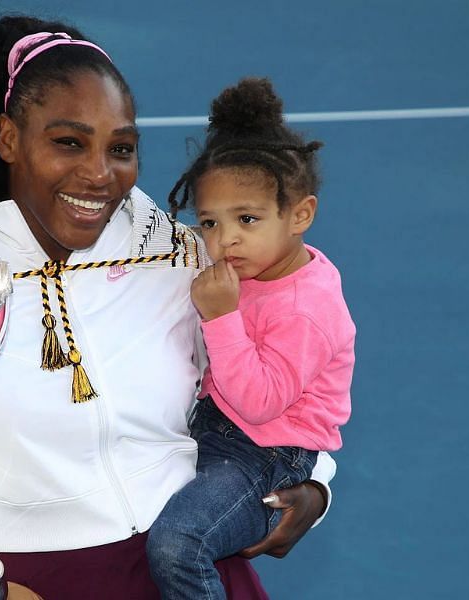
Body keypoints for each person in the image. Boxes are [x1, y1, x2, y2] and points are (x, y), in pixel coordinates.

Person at [0, 17, 338, 600]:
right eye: (68, 142)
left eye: (120, 148)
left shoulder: (184, 260)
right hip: (27, 584)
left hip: (181, 563)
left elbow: (292, 369)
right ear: (9, 139)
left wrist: (315, 484)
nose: (99, 174)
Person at [143, 77, 355, 599]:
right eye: (210, 222)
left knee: (178, 543)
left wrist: (221, 319)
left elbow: (260, 403)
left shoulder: (307, 309)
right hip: (214, 428)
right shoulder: (252, 262)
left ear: (300, 214)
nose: (224, 239)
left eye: (248, 219)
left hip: (265, 454)